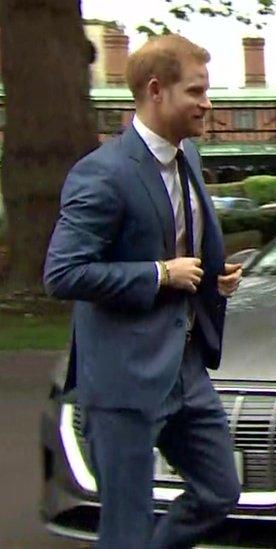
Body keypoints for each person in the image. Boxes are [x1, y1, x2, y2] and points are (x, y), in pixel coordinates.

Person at [44, 34, 244, 547]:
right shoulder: (101, 174)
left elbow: (180, 238)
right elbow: (63, 273)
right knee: (125, 528)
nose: (208, 103)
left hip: (186, 368)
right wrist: (159, 275)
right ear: (157, 91)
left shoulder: (189, 157)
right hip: (124, 380)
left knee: (220, 490)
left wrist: (209, 280)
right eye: (196, 92)